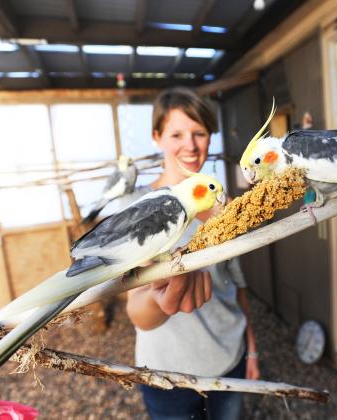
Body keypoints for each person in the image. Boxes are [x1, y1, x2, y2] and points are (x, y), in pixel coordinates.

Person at [125, 87, 260, 420]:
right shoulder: (143, 211)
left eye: (200, 133)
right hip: (167, 373)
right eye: (177, 134)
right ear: (157, 137)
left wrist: (252, 350)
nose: (191, 145)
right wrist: (160, 300)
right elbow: (136, 311)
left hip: (230, 358)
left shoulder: (221, 202)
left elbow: (235, 283)